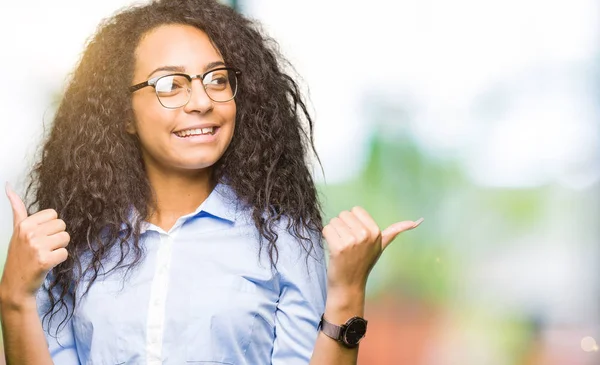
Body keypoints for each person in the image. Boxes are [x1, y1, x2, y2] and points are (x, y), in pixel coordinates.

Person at [0, 0, 423, 364]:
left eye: (217, 79)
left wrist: (348, 290)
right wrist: (15, 299)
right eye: (171, 84)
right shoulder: (73, 245)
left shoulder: (285, 242)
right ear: (123, 114)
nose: (202, 101)